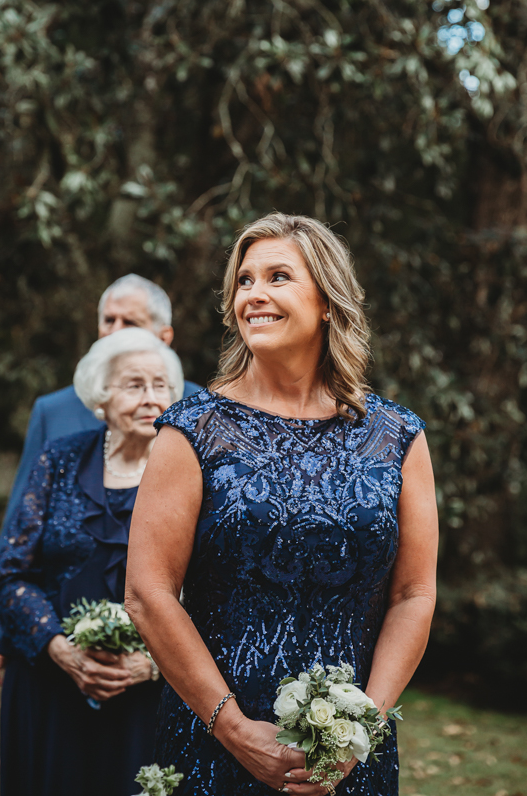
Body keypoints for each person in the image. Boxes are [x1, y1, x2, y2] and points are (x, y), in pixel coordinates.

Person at [126, 213, 438, 796]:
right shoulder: (193, 431)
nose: (254, 295)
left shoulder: (397, 435)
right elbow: (149, 593)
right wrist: (236, 730)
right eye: (244, 281)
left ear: (327, 301)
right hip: (216, 744)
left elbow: (413, 594)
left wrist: (360, 728)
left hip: (352, 753)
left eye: (277, 277)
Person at [0, 273, 201, 683]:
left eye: (128, 323)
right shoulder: (54, 413)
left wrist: (154, 663)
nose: (114, 332)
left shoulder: (201, 413)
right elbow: (18, 538)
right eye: (107, 320)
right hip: (52, 663)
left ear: (165, 336)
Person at [0, 327, 183, 796]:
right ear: (101, 396)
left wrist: (151, 664)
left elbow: (210, 587)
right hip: (51, 685)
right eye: (134, 385)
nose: (150, 397)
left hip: (151, 695)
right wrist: (61, 649)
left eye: (161, 386)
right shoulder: (59, 459)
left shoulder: (188, 471)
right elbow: (11, 573)